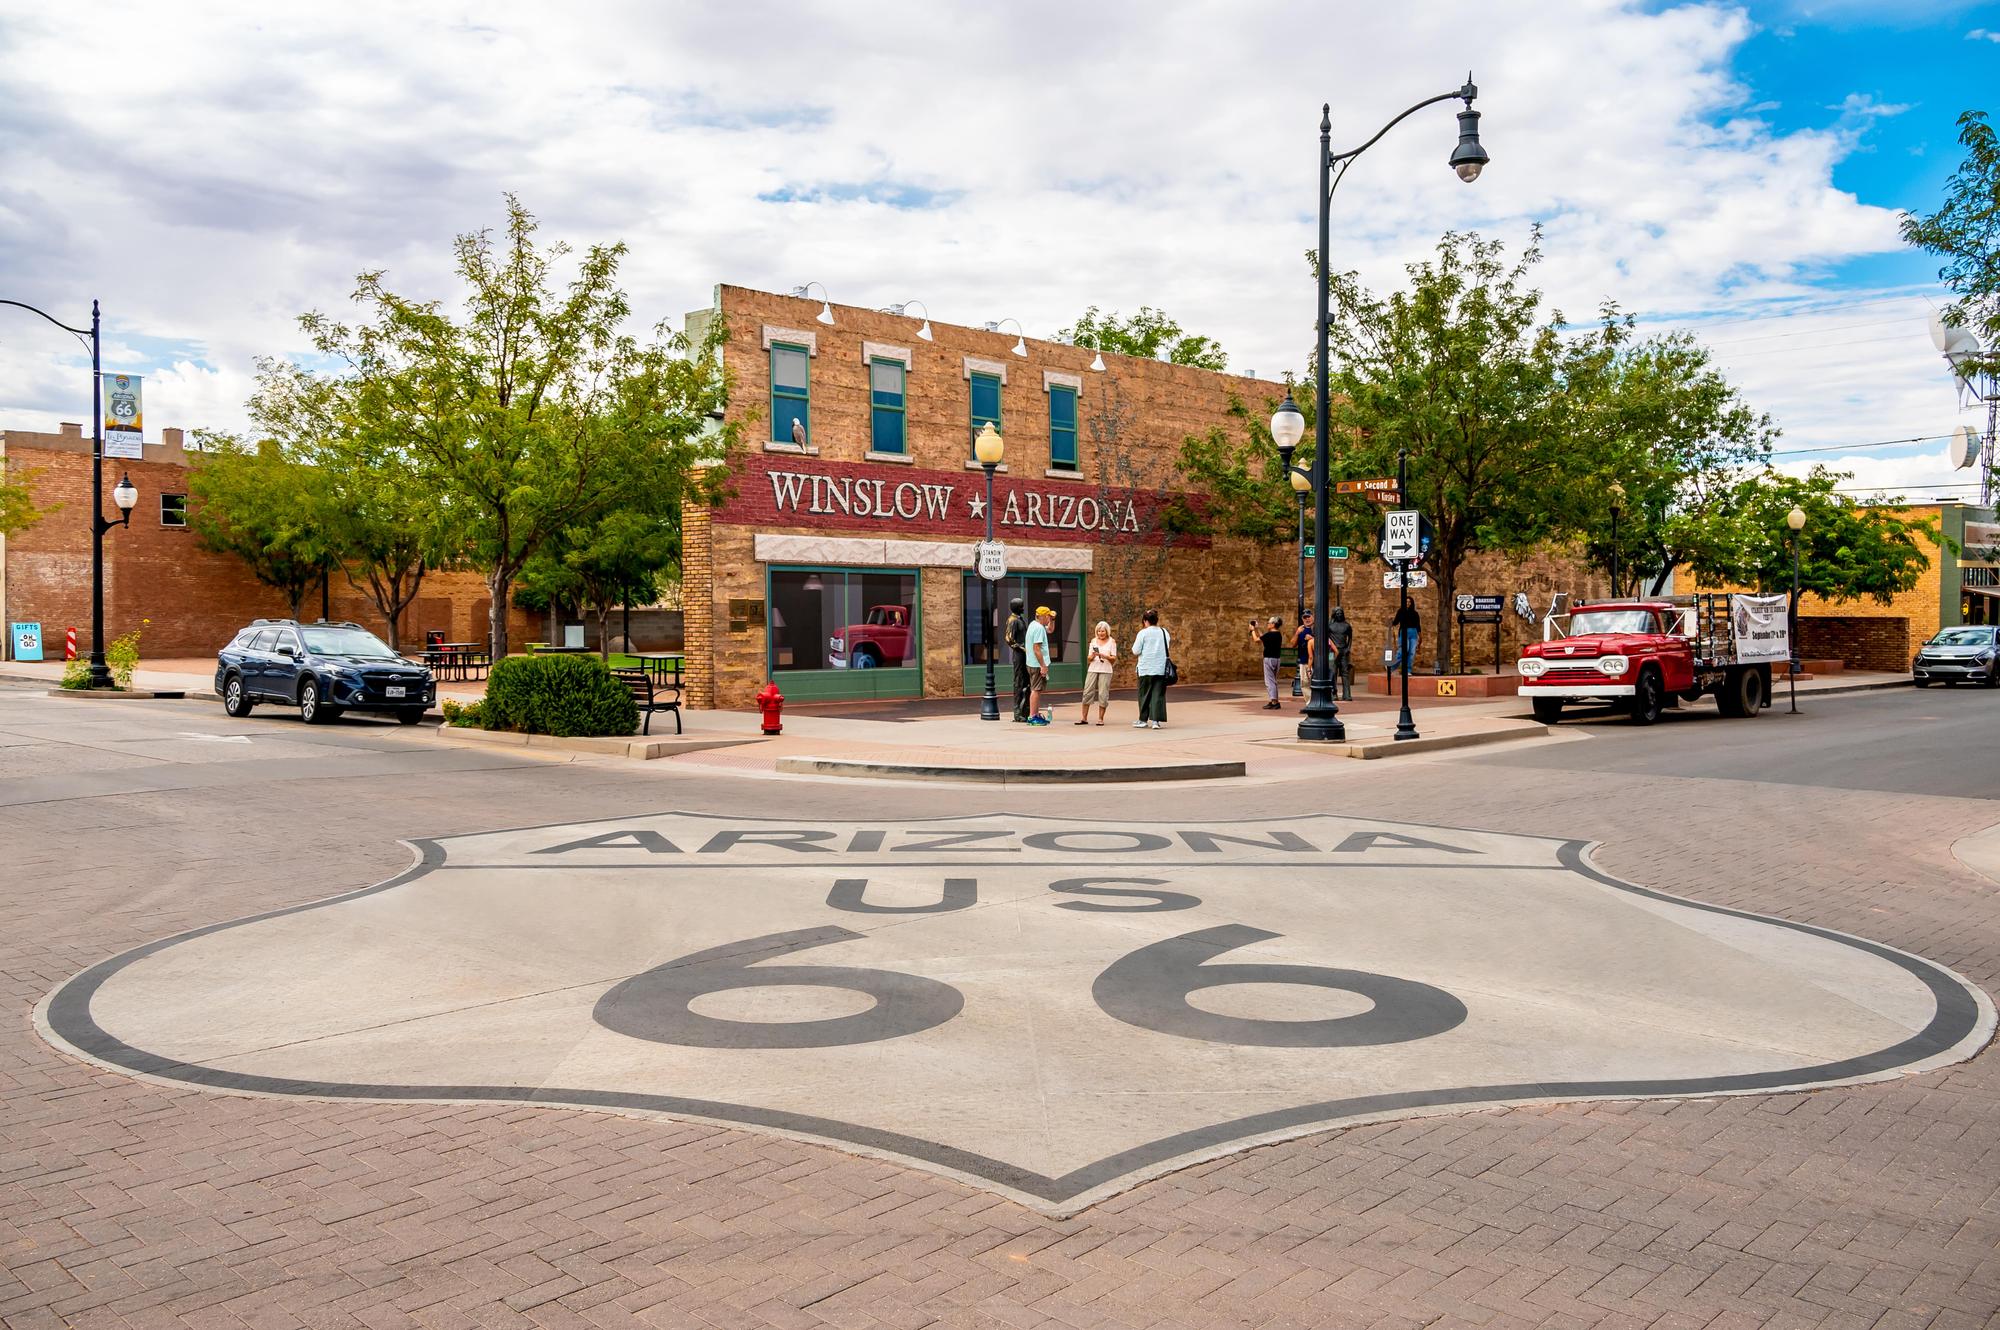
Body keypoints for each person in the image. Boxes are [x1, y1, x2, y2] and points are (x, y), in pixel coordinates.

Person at [1132, 609, 1171, 730]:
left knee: (1144, 694)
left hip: (1145, 668)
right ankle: (1156, 721)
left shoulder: (1142, 633)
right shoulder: (1164, 632)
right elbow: (1167, 647)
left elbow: (1136, 650)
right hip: (1160, 668)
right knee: (1158, 694)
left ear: (1145, 621)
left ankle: (1143, 720)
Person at [1079, 621, 1116, 725]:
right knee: (1087, 692)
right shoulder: (1093, 641)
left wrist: (1106, 656)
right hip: (1093, 669)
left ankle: (1100, 719)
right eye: (1099, 631)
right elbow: (1089, 659)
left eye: (1103, 631)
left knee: (1103, 694)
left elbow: (1113, 659)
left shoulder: (1112, 642)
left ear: (1107, 631)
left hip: (1106, 670)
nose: (1101, 633)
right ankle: (1084, 718)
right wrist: (1093, 655)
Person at [1024, 605, 1054, 725]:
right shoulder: (1039, 629)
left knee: (1035, 689)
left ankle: (1035, 715)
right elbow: (1036, 648)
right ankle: (1032, 717)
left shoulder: (1033, 625)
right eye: (1048, 616)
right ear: (1043, 616)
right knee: (1036, 690)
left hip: (1031, 663)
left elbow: (1050, 630)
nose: (1049, 618)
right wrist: (1043, 665)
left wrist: (1052, 620)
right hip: (1037, 665)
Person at [1005, 597, 1030, 722]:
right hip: (1019, 655)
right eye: (1021, 606)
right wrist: (1022, 648)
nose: (1023, 608)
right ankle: (1018, 713)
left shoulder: (1019, 619)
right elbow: (1009, 639)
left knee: (1026, 682)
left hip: (1025, 655)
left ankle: (1025, 711)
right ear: (1017, 608)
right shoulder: (1013, 620)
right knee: (1019, 682)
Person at [1252, 615, 1283, 709]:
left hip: (1269, 659)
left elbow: (1256, 640)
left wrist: (1252, 630)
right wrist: (1257, 629)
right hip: (1276, 659)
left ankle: (1274, 701)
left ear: (1273, 624)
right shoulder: (1278, 634)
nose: (1268, 624)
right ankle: (1273, 700)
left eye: (1269, 623)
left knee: (1269, 681)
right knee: (1273, 681)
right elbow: (1263, 638)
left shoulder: (1269, 635)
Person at [1328, 605, 1354, 701]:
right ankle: (1333, 693)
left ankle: (1347, 694)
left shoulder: (1347, 626)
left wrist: (1348, 647)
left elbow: (1350, 638)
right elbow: (1327, 639)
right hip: (1332, 652)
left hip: (1343, 651)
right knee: (1332, 673)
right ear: (1334, 614)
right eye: (1338, 613)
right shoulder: (1330, 626)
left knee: (1345, 673)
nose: (1339, 615)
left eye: (1341, 613)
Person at [1390, 600, 1421, 677]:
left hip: (1413, 633)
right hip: (1404, 632)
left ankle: (1408, 670)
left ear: (1412, 603)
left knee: (1411, 653)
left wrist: (1420, 636)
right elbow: (1396, 622)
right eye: (1406, 601)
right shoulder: (1401, 611)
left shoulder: (1415, 613)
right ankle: (1391, 667)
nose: (1408, 603)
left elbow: (1418, 625)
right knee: (1404, 650)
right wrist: (1391, 623)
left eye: (1409, 602)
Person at [1293, 609, 1314, 699]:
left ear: (1313, 617)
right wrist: (1297, 633)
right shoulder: (1301, 629)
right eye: (1305, 617)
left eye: (1308, 616)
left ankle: (1316, 701)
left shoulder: (1317, 629)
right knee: (1304, 683)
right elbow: (1293, 644)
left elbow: (1325, 643)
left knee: (1315, 683)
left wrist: (1312, 638)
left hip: (1315, 661)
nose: (1307, 619)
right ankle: (1309, 703)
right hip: (1303, 660)